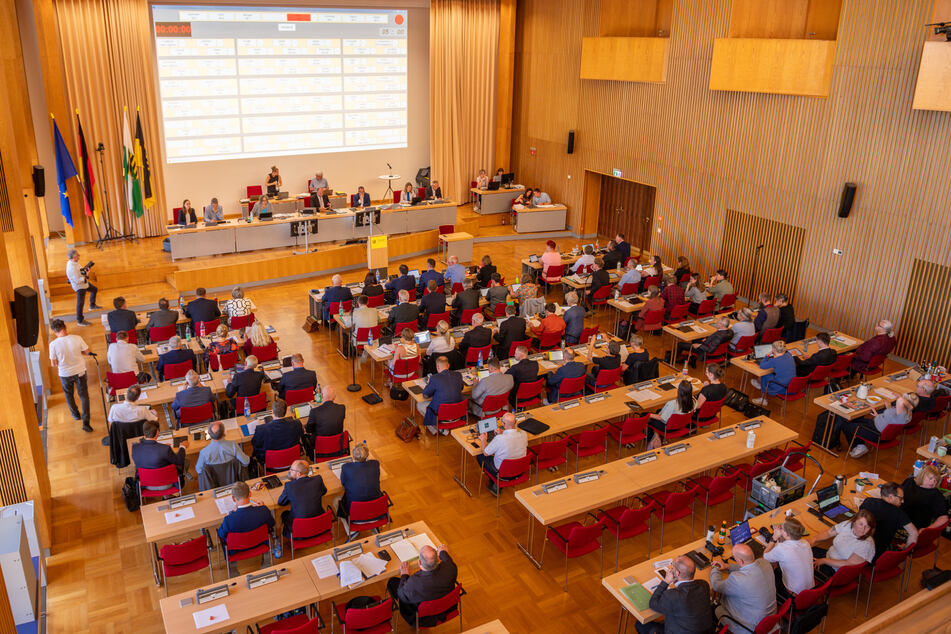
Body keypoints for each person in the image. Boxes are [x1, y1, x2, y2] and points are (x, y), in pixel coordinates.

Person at [635, 556, 714, 634]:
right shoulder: (704, 585)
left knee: (640, 624)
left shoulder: (673, 595)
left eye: (672, 566)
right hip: (705, 631)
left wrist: (666, 581)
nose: (671, 568)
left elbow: (653, 603)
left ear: (677, 573)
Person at [387, 544, 458, 628]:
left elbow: (401, 594)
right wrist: (443, 552)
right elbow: (447, 560)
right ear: (438, 559)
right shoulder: (450, 568)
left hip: (424, 619)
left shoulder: (413, 584)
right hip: (448, 608)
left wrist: (404, 575)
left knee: (392, 582)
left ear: (419, 562)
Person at [710, 544, 776, 632]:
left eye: (734, 557)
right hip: (769, 619)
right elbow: (748, 566)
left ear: (740, 560)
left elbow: (716, 585)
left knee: (715, 607)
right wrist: (728, 566)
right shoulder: (765, 563)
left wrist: (715, 568)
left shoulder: (737, 579)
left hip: (750, 626)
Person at [834, 392, 917, 458]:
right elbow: (890, 422)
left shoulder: (901, 413)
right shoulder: (908, 416)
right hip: (878, 426)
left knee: (845, 424)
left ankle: (858, 446)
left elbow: (900, 402)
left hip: (876, 433)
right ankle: (858, 444)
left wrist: (893, 406)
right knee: (855, 418)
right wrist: (878, 415)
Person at [217, 481, 277, 573]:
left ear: (233, 498)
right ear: (250, 493)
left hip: (237, 550)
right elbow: (272, 523)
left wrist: (232, 513)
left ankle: (232, 567)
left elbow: (220, 534)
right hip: (260, 544)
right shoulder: (263, 511)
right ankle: (266, 559)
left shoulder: (229, 519)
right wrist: (263, 508)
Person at [859, 481, 918, 559]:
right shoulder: (899, 513)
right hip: (877, 556)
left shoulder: (868, 501)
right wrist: (904, 550)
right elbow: (914, 533)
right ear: (890, 497)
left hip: (858, 549)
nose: (903, 501)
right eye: (901, 498)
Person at [810, 509, 876, 578]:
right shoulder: (848, 524)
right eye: (861, 524)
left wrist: (824, 560)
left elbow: (848, 564)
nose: (863, 529)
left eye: (867, 527)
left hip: (837, 571)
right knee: (806, 551)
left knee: (803, 564)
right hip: (828, 556)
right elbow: (829, 533)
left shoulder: (866, 545)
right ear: (854, 521)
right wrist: (813, 539)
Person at [763, 518, 814, 597]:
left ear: (786, 534)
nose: (779, 528)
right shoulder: (806, 543)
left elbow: (765, 556)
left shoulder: (782, 549)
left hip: (794, 593)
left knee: (770, 573)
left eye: (781, 528)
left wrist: (774, 538)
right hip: (810, 589)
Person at [477, 412, 527, 492]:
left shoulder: (500, 438)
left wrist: (483, 439)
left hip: (502, 474)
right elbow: (512, 441)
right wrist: (503, 433)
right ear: (516, 422)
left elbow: (485, 453)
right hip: (519, 471)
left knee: (480, 456)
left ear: (503, 423)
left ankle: (494, 482)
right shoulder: (524, 434)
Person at [277, 459, 327, 537]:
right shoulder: (318, 479)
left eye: (292, 469)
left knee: (284, 514)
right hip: (318, 525)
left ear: (299, 474)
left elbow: (281, 502)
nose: (289, 471)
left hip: (299, 532)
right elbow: (324, 491)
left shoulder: (290, 486)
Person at [337, 442, 381, 526]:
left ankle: (350, 530)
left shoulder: (346, 467)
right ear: (368, 455)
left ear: (353, 456)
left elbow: (343, 483)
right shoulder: (375, 464)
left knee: (336, 500)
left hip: (356, 517)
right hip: (377, 513)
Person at [250, 398, 303, 465]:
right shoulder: (297, 424)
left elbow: (254, 443)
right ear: (286, 411)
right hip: (293, 461)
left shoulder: (261, 429)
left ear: (272, 412)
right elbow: (301, 434)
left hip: (271, 463)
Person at [419, 356, 464, 434]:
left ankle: (438, 429)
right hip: (457, 413)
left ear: (437, 367)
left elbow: (425, 395)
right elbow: (461, 388)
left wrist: (429, 384)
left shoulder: (434, 378)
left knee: (419, 405)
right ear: (448, 365)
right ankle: (441, 429)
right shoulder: (458, 375)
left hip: (442, 414)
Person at [648, 379, 695, 449]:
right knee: (658, 410)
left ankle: (655, 437)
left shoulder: (673, 403)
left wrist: (649, 415)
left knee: (647, 416)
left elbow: (661, 418)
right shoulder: (694, 401)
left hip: (667, 427)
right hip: (681, 424)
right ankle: (656, 435)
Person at [901, 464, 950, 530]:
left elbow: (944, 517)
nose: (933, 482)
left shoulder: (936, 495)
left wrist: (927, 529)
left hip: (912, 527)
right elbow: (898, 494)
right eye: (930, 478)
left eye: (935, 480)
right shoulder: (910, 481)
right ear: (922, 476)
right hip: (898, 516)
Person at [750, 340, 796, 405]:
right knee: (770, 375)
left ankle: (764, 399)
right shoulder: (789, 355)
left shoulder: (775, 360)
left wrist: (767, 355)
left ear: (774, 349)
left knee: (764, 376)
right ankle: (759, 384)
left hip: (782, 387)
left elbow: (762, 366)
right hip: (792, 385)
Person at [66, 249, 99, 325]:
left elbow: (79, 271)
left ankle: (92, 305)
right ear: (74, 257)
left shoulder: (74, 262)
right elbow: (77, 280)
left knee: (94, 289)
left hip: (84, 283)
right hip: (80, 286)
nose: (79, 256)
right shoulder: (71, 268)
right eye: (78, 255)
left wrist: (85, 269)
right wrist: (87, 275)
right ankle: (80, 320)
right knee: (80, 303)